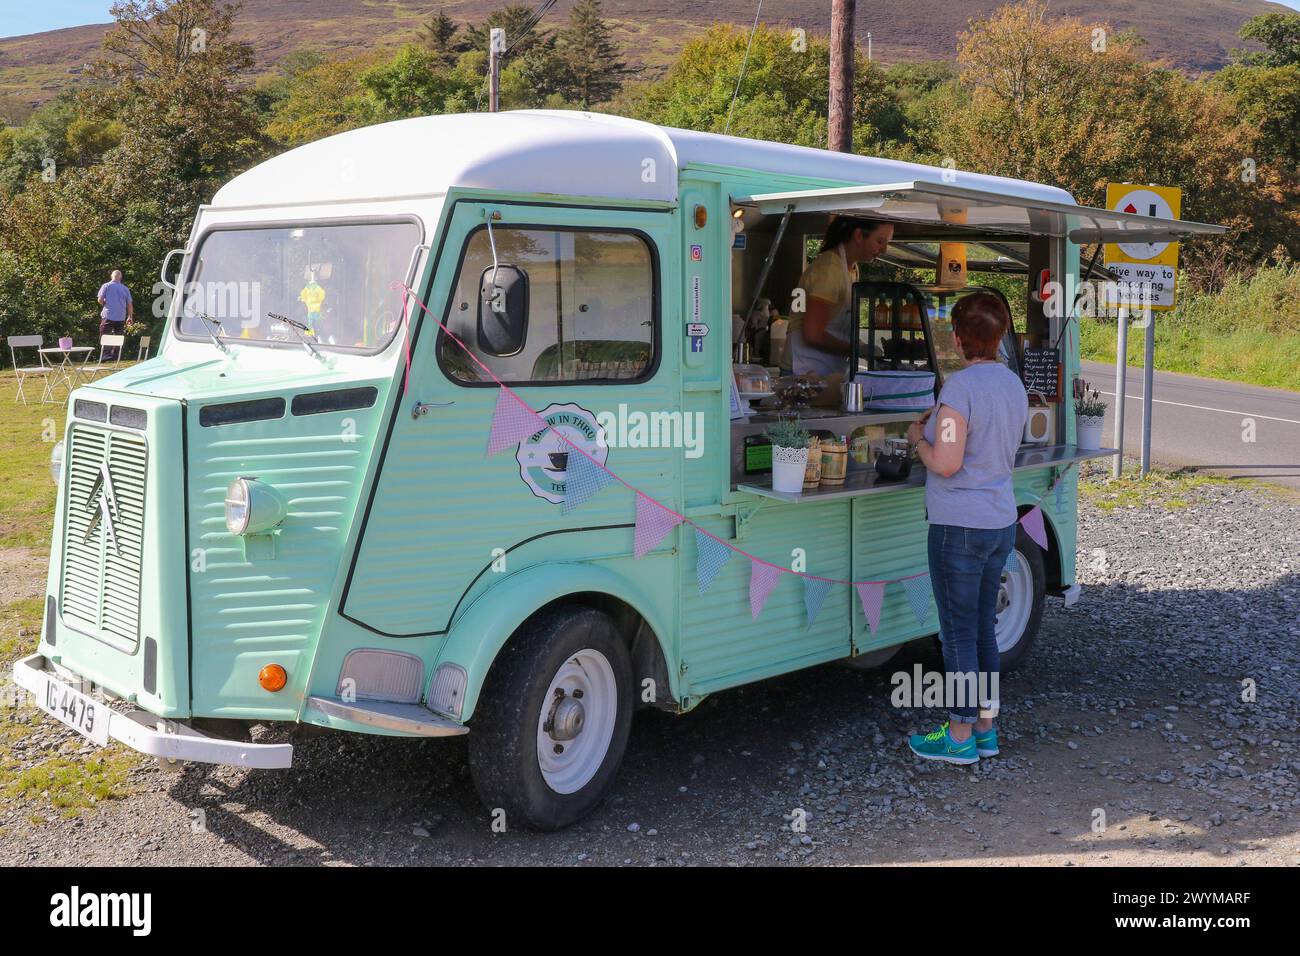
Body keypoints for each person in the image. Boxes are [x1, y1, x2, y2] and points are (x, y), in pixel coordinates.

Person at [904, 292, 1028, 765]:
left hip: (958, 527)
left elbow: (947, 462)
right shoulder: (1013, 384)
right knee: (982, 632)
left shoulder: (958, 391)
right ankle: (985, 730)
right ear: (997, 337)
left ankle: (957, 738)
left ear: (957, 339)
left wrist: (918, 437)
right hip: (999, 520)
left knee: (956, 634)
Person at [782, 216, 894, 376]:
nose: (884, 250)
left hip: (825, 370)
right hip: (803, 371)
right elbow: (813, 334)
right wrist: (857, 349)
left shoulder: (852, 269)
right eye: (880, 241)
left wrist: (859, 345)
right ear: (859, 236)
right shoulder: (829, 270)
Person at [96, 269, 133, 361]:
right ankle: (115, 356)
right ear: (120, 277)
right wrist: (130, 316)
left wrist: (105, 303)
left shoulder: (106, 286)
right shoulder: (125, 289)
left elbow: (100, 300)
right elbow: (129, 304)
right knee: (119, 336)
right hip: (120, 316)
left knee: (105, 335)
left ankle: (106, 355)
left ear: (112, 277)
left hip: (108, 315)